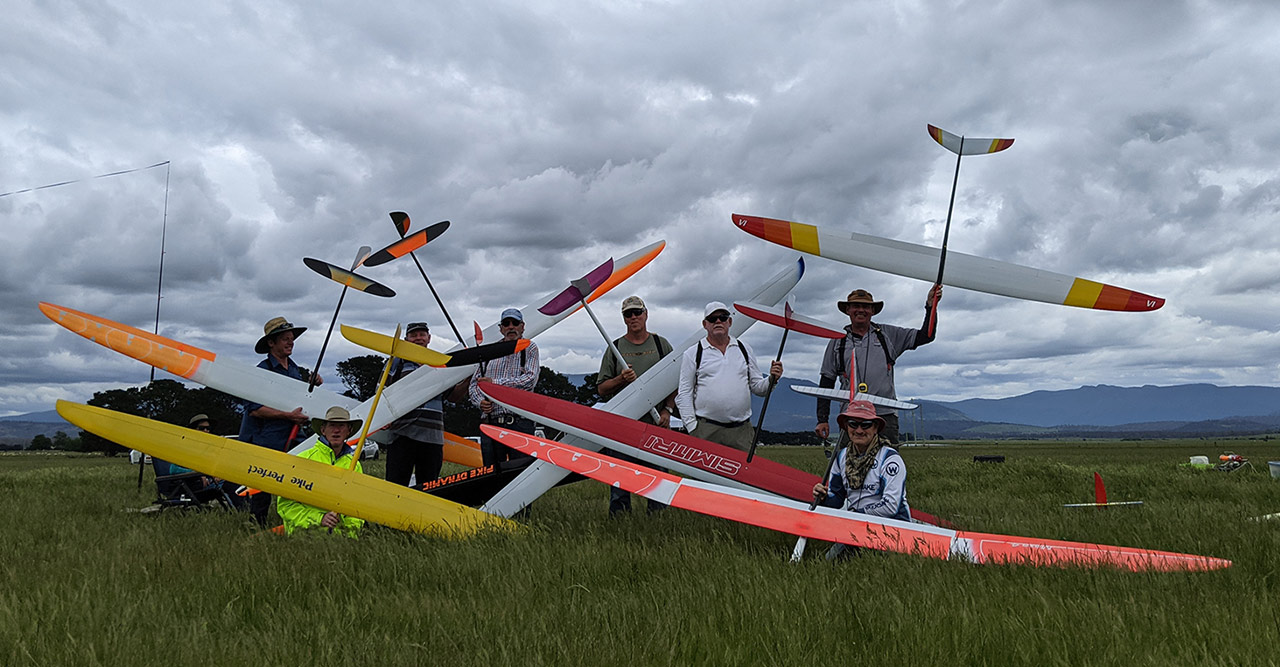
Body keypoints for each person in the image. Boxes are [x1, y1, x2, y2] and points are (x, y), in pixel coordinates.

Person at [814, 287, 940, 445]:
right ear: (848, 310)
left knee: (887, 465)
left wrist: (931, 305)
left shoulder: (887, 334)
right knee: (849, 467)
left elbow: (926, 336)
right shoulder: (837, 341)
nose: (861, 310)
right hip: (850, 417)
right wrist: (822, 419)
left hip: (883, 416)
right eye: (856, 306)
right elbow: (826, 382)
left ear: (873, 310)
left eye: (866, 306)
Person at [596, 296, 675, 516]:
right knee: (620, 481)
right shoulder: (616, 347)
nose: (633, 318)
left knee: (658, 479)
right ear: (623, 319)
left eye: (637, 313)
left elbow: (676, 382)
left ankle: (658, 522)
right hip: (622, 426)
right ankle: (620, 523)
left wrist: (667, 410)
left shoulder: (661, 344)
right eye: (628, 314)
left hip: (655, 424)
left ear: (646, 314)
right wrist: (621, 379)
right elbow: (602, 388)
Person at [238, 316, 318, 525]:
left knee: (301, 475)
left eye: (291, 338)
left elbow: (299, 402)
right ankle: (258, 522)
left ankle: (298, 518)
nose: (290, 342)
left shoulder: (294, 369)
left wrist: (312, 386)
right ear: (271, 343)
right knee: (263, 480)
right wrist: (287, 416)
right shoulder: (261, 371)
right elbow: (254, 409)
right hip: (266, 437)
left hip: (293, 435)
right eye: (285, 338)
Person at [675, 302, 781, 452]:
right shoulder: (693, 353)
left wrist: (772, 379)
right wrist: (692, 427)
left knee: (744, 475)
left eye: (723, 317)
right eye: (712, 319)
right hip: (706, 430)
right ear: (705, 324)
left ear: (729, 322)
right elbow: (684, 393)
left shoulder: (744, 349)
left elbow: (758, 387)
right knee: (704, 476)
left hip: (741, 431)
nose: (718, 321)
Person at [811, 400, 910, 561]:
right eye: (853, 424)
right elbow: (836, 499)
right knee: (826, 564)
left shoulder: (890, 459)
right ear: (846, 427)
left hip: (893, 529)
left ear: (875, 428)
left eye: (865, 425)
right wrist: (823, 498)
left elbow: (891, 506)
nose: (859, 430)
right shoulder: (841, 458)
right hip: (856, 528)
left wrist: (857, 516)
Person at [276, 406, 366, 538]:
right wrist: (319, 519)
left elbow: (358, 505)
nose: (336, 430)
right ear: (323, 430)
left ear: (349, 431)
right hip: (304, 540)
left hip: (341, 542)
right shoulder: (303, 460)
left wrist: (350, 534)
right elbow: (286, 505)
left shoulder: (354, 465)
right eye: (332, 425)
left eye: (341, 426)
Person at [468, 307, 539, 465]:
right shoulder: (489, 351)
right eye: (506, 323)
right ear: (501, 329)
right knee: (492, 475)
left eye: (515, 323)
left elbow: (530, 380)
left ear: (522, 326)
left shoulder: (529, 348)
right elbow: (474, 385)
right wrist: (480, 402)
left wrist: (494, 386)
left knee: (520, 474)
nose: (511, 326)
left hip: (520, 423)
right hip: (491, 422)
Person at [383, 322, 445, 487]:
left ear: (429, 338)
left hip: (432, 436)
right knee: (395, 486)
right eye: (414, 335)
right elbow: (380, 391)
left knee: (429, 486)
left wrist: (467, 374)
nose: (418, 338)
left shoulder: (439, 363)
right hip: (402, 433)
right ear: (406, 339)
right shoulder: (397, 362)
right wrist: (382, 418)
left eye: (422, 334)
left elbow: (453, 396)